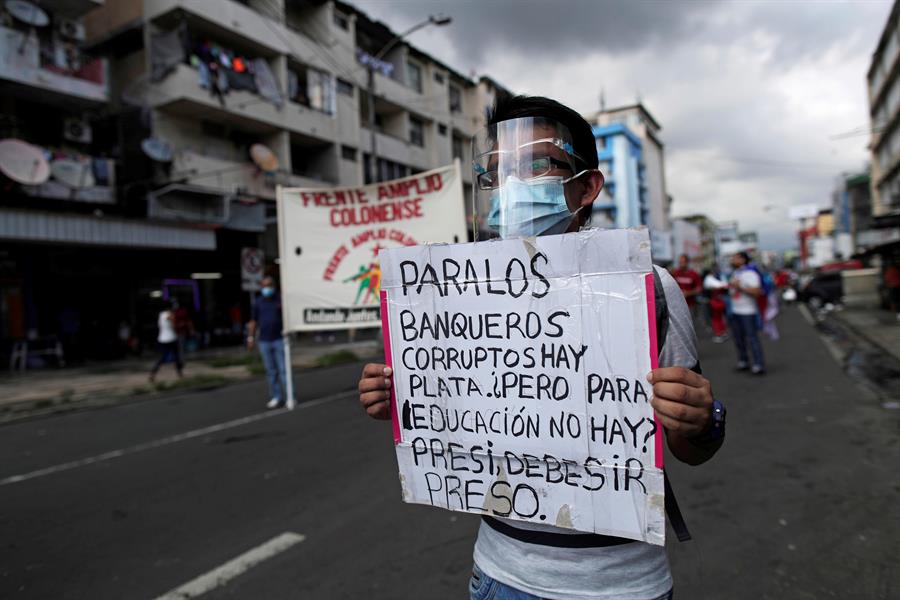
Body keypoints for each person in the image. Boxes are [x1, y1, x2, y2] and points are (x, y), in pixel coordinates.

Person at [357, 96, 724, 600]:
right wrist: (399, 398)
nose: (512, 185)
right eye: (495, 171)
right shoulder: (458, 295)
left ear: (587, 186)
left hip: (620, 586)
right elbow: (457, 415)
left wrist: (700, 419)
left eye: (536, 165)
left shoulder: (646, 288)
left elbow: (692, 448)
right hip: (498, 575)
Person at [247, 276, 294, 409]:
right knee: (271, 371)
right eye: (265, 286)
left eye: (269, 285)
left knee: (284, 370)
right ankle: (276, 396)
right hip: (265, 341)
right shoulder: (258, 302)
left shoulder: (280, 300)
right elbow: (253, 321)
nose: (267, 288)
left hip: (279, 339)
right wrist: (250, 338)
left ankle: (290, 395)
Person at [728, 251, 765, 374]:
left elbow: (756, 292)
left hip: (748, 312)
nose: (732, 260)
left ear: (743, 260)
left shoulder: (750, 273)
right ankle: (744, 361)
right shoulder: (736, 273)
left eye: (735, 258)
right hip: (735, 310)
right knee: (738, 338)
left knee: (752, 338)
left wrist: (739, 287)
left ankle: (758, 363)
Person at [149, 301, 183, 382]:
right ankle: (180, 373)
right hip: (171, 338)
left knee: (161, 358)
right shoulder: (170, 314)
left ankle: (153, 373)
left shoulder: (161, 315)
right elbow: (174, 324)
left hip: (162, 339)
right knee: (177, 356)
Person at [671, 254, 702, 321]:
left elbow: (699, 289)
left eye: (683, 262)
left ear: (687, 262)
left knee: (690, 326)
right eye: (680, 262)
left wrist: (688, 293)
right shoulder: (675, 273)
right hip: (677, 306)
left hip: (690, 306)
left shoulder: (694, 274)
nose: (681, 264)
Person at [703, 268, 729, 343]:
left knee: (716, 319)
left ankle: (719, 334)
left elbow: (718, 285)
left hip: (714, 303)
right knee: (720, 318)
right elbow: (722, 285)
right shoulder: (714, 279)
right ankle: (722, 333)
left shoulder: (709, 279)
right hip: (718, 302)